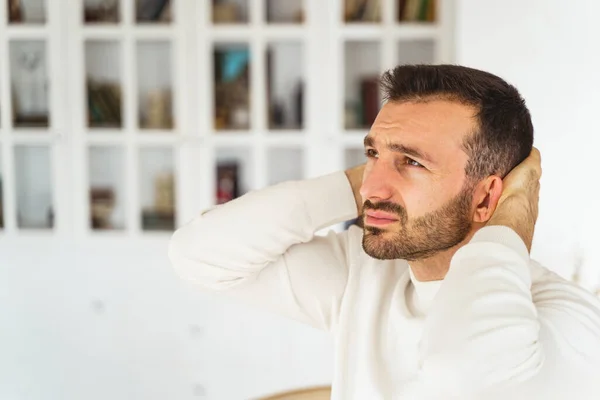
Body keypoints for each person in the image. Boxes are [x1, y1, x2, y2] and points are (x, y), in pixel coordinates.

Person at [168, 65, 600, 399]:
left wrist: (512, 219)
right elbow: (198, 254)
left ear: (488, 199)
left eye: (412, 161)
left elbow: (467, 371)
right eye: (373, 154)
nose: (371, 188)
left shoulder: (567, 318)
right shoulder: (365, 273)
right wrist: (353, 186)